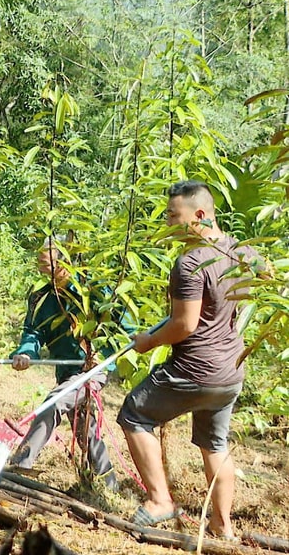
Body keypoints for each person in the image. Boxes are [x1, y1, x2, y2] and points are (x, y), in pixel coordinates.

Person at [117, 180, 259, 539]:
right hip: (231, 372)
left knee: (134, 412)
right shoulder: (241, 251)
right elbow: (270, 279)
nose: (167, 223)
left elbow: (184, 324)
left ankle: (160, 501)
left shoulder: (191, 263)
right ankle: (222, 526)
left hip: (195, 371)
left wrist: (149, 342)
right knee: (215, 444)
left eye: (172, 215)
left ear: (199, 214)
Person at [8, 236, 134, 491]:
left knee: (54, 402)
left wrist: (105, 353)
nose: (46, 273)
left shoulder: (95, 292)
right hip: (67, 371)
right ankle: (109, 486)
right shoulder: (40, 297)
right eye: (42, 267)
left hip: (93, 370)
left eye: (51, 267)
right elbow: (33, 332)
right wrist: (25, 353)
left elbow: (126, 329)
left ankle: (21, 463)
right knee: (84, 427)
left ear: (67, 260)